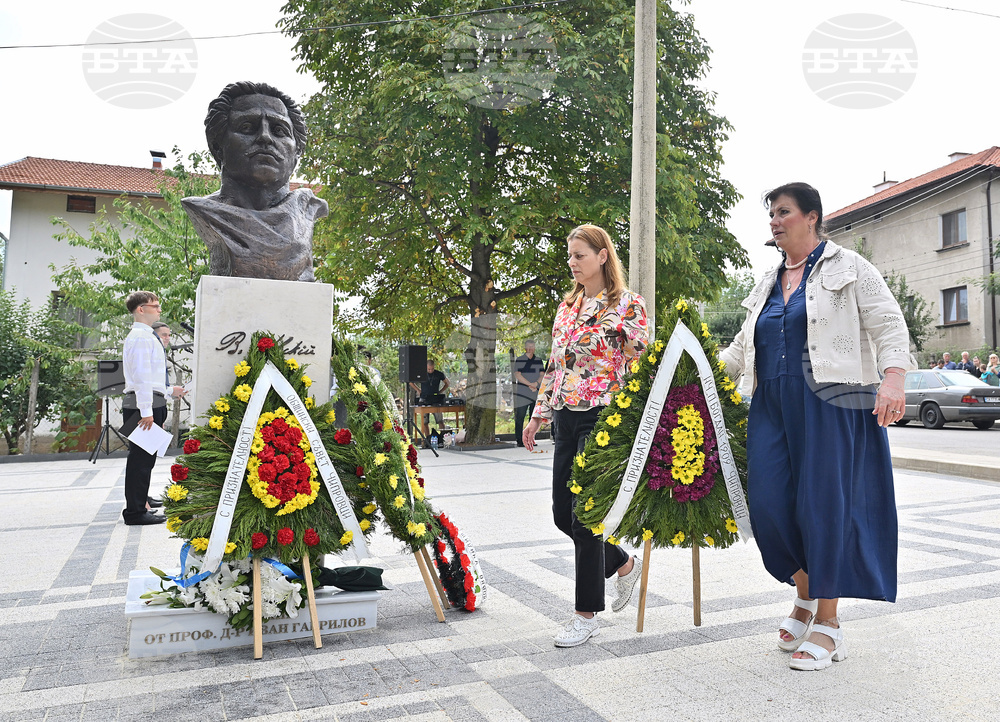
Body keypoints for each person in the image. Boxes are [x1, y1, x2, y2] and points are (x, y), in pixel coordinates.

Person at [719, 183, 912, 671]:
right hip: (771, 406)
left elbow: (889, 324)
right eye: (771, 214)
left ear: (812, 217)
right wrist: (686, 374)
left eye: (784, 212)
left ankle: (827, 621)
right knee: (769, 503)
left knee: (824, 506)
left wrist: (893, 379)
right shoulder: (765, 283)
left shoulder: (850, 268)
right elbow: (741, 351)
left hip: (833, 401)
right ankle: (804, 593)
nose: (774, 221)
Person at [523, 224, 649, 648]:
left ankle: (585, 614)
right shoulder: (566, 307)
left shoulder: (628, 305)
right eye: (570, 255)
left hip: (602, 414)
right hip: (563, 414)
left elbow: (642, 354)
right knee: (563, 513)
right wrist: (537, 415)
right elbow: (554, 366)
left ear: (601, 256)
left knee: (585, 514)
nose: (572, 263)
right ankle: (623, 564)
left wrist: (628, 339)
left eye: (579, 255)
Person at [182, 81, 328, 282]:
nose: (266, 138)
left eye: (279, 131)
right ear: (218, 147)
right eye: (247, 127)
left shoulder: (307, 209)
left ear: (296, 155)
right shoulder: (205, 211)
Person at [121, 292, 187, 526]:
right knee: (140, 460)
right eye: (155, 306)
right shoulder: (140, 337)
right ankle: (136, 512)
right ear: (141, 309)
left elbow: (151, 378)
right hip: (143, 405)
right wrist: (146, 410)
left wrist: (169, 391)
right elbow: (140, 377)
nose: (159, 310)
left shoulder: (147, 336)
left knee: (145, 460)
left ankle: (140, 505)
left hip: (150, 401)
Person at [513, 340, 544, 447]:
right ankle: (519, 440)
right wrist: (529, 384)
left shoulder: (538, 360)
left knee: (534, 417)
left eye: (532, 346)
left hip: (535, 392)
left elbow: (542, 374)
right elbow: (517, 375)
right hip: (522, 392)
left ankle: (531, 439)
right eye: (529, 346)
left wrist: (536, 384)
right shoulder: (520, 360)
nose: (531, 348)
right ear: (525, 347)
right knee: (520, 416)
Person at [409, 360, 449, 439]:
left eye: (432, 369)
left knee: (440, 420)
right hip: (424, 398)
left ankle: (444, 438)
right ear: (426, 368)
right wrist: (418, 390)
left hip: (435, 399)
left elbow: (447, 383)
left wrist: (440, 391)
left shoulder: (439, 374)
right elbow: (411, 382)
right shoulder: (422, 374)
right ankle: (427, 439)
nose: (430, 371)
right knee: (425, 421)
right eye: (429, 369)